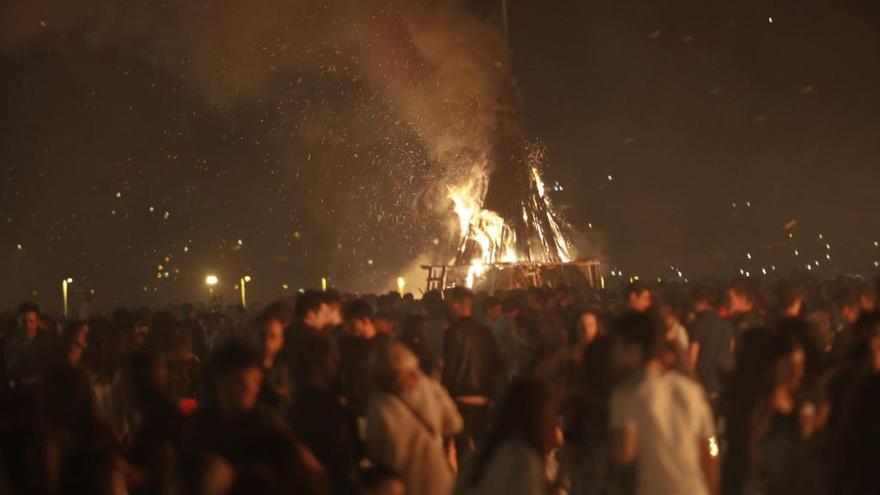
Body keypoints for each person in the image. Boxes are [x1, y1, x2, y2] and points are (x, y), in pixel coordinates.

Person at [185, 341, 330, 494]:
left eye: (254, 380)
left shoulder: (267, 424)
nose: (249, 388)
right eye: (239, 380)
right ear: (219, 380)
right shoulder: (201, 424)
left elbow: (314, 478)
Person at [609, 312, 718, 495]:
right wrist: (712, 484)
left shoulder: (627, 393)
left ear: (634, 348)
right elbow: (710, 443)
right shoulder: (691, 389)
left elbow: (625, 452)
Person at [366, 341, 462, 495]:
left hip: (402, 484)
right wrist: (449, 454)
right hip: (438, 477)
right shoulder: (431, 387)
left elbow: (375, 451)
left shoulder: (378, 403)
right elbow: (453, 424)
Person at [454, 378, 560, 495]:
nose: (556, 421)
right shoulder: (522, 462)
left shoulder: (481, 456)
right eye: (551, 412)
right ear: (537, 417)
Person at [289, 328, 358, 495]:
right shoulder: (329, 409)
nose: (337, 361)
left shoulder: (294, 406)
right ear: (321, 360)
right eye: (333, 355)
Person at [442, 287, 501, 456]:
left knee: (461, 452)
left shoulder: (453, 333)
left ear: (455, 305)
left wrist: (443, 399)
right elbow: (496, 366)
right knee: (482, 451)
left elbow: (450, 371)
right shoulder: (486, 332)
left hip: (461, 400)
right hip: (484, 399)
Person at [688, 286, 736, 410]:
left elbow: (692, 359)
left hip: (703, 385)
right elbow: (731, 351)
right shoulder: (727, 325)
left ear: (701, 302)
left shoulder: (697, 325)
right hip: (721, 385)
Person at [4, 302, 56, 388]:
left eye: (31, 321)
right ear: (18, 321)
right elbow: (9, 369)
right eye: (24, 321)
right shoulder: (11, 342)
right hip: (20, 389)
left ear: (37, 321)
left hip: (43, 387)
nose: (28, 325)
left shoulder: (47, 341)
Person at [255, 311, 292, 412]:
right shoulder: (240, 372)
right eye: (262, 336)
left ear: (281, 340)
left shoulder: (289, 371)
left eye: (272, 336)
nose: (267, 342)